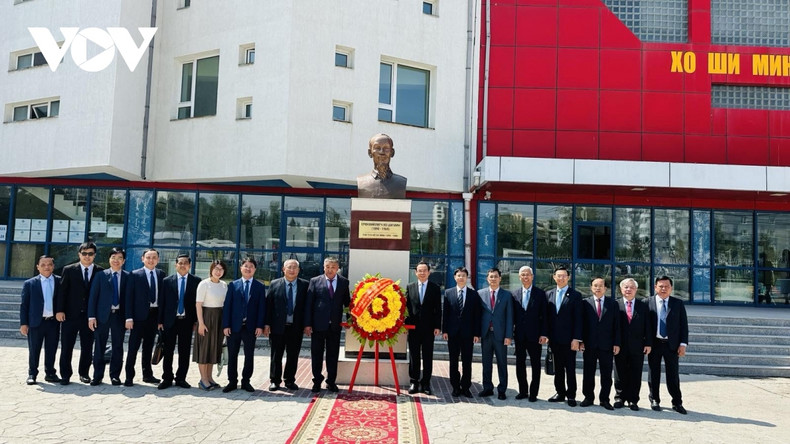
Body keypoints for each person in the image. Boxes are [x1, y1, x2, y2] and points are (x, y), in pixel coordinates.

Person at [55, 242, 102, 385]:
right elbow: (62, 292)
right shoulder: (69, 270)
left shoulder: (100, 271)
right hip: (70, 315)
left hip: (90, 317)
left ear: (94, 255)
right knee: (67, 346)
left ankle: (84, 373)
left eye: (90, 254)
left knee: (87, 347)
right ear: (79, 254)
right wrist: (59, 310)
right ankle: (65, 375)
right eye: (84, 253)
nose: (87, 256)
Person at [304, 256, 350, 393]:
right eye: (327, 267)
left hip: (335, 326)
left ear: (338, 268)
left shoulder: (343, 282)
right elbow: (309, 305)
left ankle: (331, 382)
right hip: (318, 325)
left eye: (333, 267)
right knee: (317, 354)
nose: (330, 270)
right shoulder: (314, 281)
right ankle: (316, 381)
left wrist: (349, 320)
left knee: (333, 354)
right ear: (324, 267)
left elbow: (348, 303)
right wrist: (307, 324)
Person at [222, 257, 266, 393]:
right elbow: (227, 307)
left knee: (249, 355)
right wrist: (226, 325)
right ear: (241, 268)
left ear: (255, 269)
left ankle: (246, 381)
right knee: (232, 354)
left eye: (251, 266)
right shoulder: (233, 285)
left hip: (251, 327)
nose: (248, 268)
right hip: (234, 327)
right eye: (245, 266)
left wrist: (260, 326)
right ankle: (232, 382)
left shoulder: (259, 287)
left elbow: (261, 308)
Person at [264, 258, 308, 391]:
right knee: (276, 355)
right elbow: (268, 306)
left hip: (296, 327)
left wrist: (307, 325)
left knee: (293, 355)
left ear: (299, 270)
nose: (292, 270)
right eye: (289, 267)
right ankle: (275, 381)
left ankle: (289, 380)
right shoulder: (274, 284)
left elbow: (307, 307)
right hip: (277, 326)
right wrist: (266, 324)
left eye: (295, 267)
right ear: (283, 269)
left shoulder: (305, 285)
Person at [647, 275, 689, 414]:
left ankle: (677, 402)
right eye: (661, 286)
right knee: (654, 374)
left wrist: (683, 344)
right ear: (655, 287)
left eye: (667, 286)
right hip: (654, 344)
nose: (663, 289)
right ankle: (654, 399)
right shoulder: (648, 302)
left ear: (671, 288)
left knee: (673, 375)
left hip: (672, 345)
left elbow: (684, 325)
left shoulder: (678, 303)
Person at [157, 253, 200, 389]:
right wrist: (160, 321)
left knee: (184, 351)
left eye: (185, 263)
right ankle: (167, 378)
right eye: (180, 263)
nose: (182, 265)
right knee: (168, 350)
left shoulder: (196, 281)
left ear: (190, 265)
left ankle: (181, 378)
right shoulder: (167, 281)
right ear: (175, 265)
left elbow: (197, 304)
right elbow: (162, 302)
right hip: (170, 321)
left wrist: (195, 321)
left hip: (186, 322)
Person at [87, 247, 129, 386]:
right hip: (102, 316)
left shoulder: (128, 277)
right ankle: (97, 376)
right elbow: (93, 297)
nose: (116, 261)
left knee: (117, 346)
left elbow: (130, 299)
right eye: (113, 258)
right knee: (99, 345)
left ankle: (115, 376)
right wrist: (91, 316)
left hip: (119, 316)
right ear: (109, 259)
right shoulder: (100, 275)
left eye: (119, 258)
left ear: (123, 261)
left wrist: (129, 317)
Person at [124, 248, 165, 386]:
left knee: (148, 347)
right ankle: (129, 376)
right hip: (137, 318)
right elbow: (128, 298)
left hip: (153, 316)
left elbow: (162, 299)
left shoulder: (161, 274)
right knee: (133, 348)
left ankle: (147, 375)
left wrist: (161, 320)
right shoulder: (135, 275)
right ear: (143, 259)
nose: (151, 260)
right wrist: (128, 318)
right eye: (148, 257)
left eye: (154, 257)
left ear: (158, 260)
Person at [579, 277, 621, 410]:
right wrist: (581, 341)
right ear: (591, 288)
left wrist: (616, 343)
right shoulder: (585, 303)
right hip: (589, 345)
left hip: (607, 345)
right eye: (595, 285)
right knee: (588, 373)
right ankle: (588, 397)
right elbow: (581, 325)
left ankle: (604, 399)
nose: (598, 288)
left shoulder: (613, 304)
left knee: (606, 375)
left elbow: (617, 326)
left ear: (606, 288)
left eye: (600, 286)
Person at [20, 255, 61, 385]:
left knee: (52, 348)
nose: (46, 267)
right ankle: (32, 373)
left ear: (53, 266)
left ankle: (50, 373)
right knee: (34, 349)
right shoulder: (30, 283)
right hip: (36, 322)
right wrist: (24, 324)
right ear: (37, 267)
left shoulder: (60, 281)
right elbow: (24, 305)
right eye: (43, 265)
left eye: (49, 264)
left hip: (53, 322)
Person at [613, 278, 653, 411]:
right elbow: (613, 327)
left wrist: (648, 343)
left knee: (636, 373)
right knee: (619, 372)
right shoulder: (615, 305)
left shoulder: (643, 306)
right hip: (620, 345)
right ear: (621, 289)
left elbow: (648, 326)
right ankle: (620, 397)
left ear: (636, 290)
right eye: (626, 287)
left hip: (638, 345)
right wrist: (615, 342)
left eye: (631, 287)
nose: (628, 290)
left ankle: (633, 399)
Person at [545, 266, 583, 406]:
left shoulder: (575, 295)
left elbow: (578, 319)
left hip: (569, 340)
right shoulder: (548, 294)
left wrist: (576, 339)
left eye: (564, 276)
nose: (561, 278)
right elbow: (547, 318)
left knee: (570, 368)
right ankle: (560, 393)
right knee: (558, 368)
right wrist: (546, 335)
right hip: (554, 339)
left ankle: (571, 395)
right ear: (554, 277)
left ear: (568, 278)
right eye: (558, 276)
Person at [511, 265, 548, 402]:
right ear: (519, 277)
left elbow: (544, 316)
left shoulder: (540, 294)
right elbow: (512, 317)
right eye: (523, 275)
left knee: (535, 365)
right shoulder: (514, 294)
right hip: (519, 336)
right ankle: (523, 391)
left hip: (535, 336)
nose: (525, 277)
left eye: (528, 274)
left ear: (532, 277)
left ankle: (533, 393)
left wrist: (544, 334)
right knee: (520, 364)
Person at [442, 267, 480, 398]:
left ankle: (466, 387)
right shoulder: (448, 293)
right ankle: (455, 387)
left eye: (463, 275)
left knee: (467, 361)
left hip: (468, 334)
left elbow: (476, 315)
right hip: (452, 333)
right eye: (459, 275)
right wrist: (444, 330)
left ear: (467, 278)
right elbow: (445, 314)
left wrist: (476, 333)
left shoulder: (473, 294)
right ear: (455, 277)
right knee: (453, 361)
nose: (461, 278)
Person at [405, 261, 442, 395]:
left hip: (429, 328)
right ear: (415, 273)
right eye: (419, 271)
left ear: (429, 272)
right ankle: (414, 381)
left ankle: (426, 382)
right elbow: (406, 308)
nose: (422, 273)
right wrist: (405, 324)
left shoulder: (435, 288)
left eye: (424, 270)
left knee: (427, 356)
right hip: (413, 327)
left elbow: (438, 309)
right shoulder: (410, 287)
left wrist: (438, 326)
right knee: (414, 355)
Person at [478, 268, 513, 400]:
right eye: (491, 277)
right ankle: (487, 388)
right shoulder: (480, 294)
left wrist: (508, 335)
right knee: (486, 363)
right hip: (486, 334)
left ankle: (502, 389)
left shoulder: (507, 295)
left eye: (495, 277)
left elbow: (509, 317)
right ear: (487, 279)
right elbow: (478, 316)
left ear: (500, 278)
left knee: (502, 363)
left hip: (500, 335)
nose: (493, 279)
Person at [194, 260, 228, 390]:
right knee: (204, 349)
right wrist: (201, 323)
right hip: (206, 317)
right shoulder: (204, 284)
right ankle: (203, 379)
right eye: (216, 268)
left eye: (221, 269)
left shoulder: (224, 285)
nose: (218, 271)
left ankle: (209, 377)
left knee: (214, 348)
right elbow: (198, 304)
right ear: (211, 269)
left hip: (219, 318)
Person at [356, 133, 407, 199]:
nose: (382, 152)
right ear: (370, 153)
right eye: (377, 148)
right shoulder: (362, 182)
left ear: (392, 152)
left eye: (386, 148)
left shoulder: (401, 183)